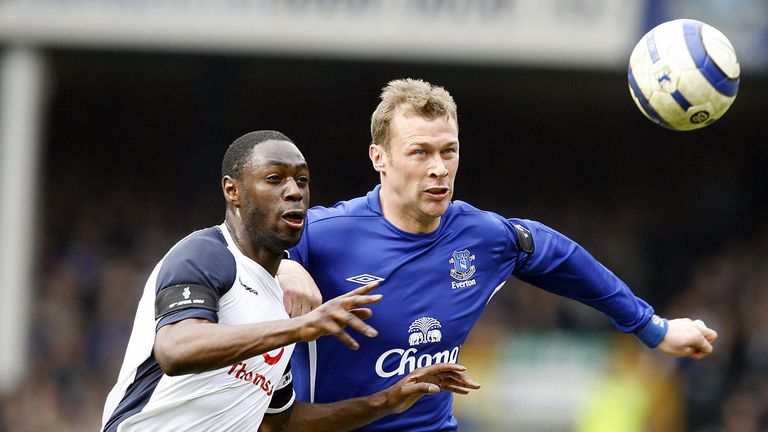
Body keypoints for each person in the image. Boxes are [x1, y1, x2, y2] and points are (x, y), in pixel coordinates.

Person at [279, 79, 720, 431]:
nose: (439, 168)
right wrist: (281, 263)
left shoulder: (481, 237)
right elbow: (240, 244)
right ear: (380, 158)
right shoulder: (321, 234)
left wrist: (650, 327)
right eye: (420, 152)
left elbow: (554, 252)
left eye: (449, 151)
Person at [100, 130, 480, 432]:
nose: (294, 191)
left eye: (302, 180)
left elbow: (280, 423)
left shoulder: (279, 302)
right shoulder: (206, 253)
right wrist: (299, 328)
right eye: (274, 179)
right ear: (233, 191)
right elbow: (175, 349)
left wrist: (388, 400)